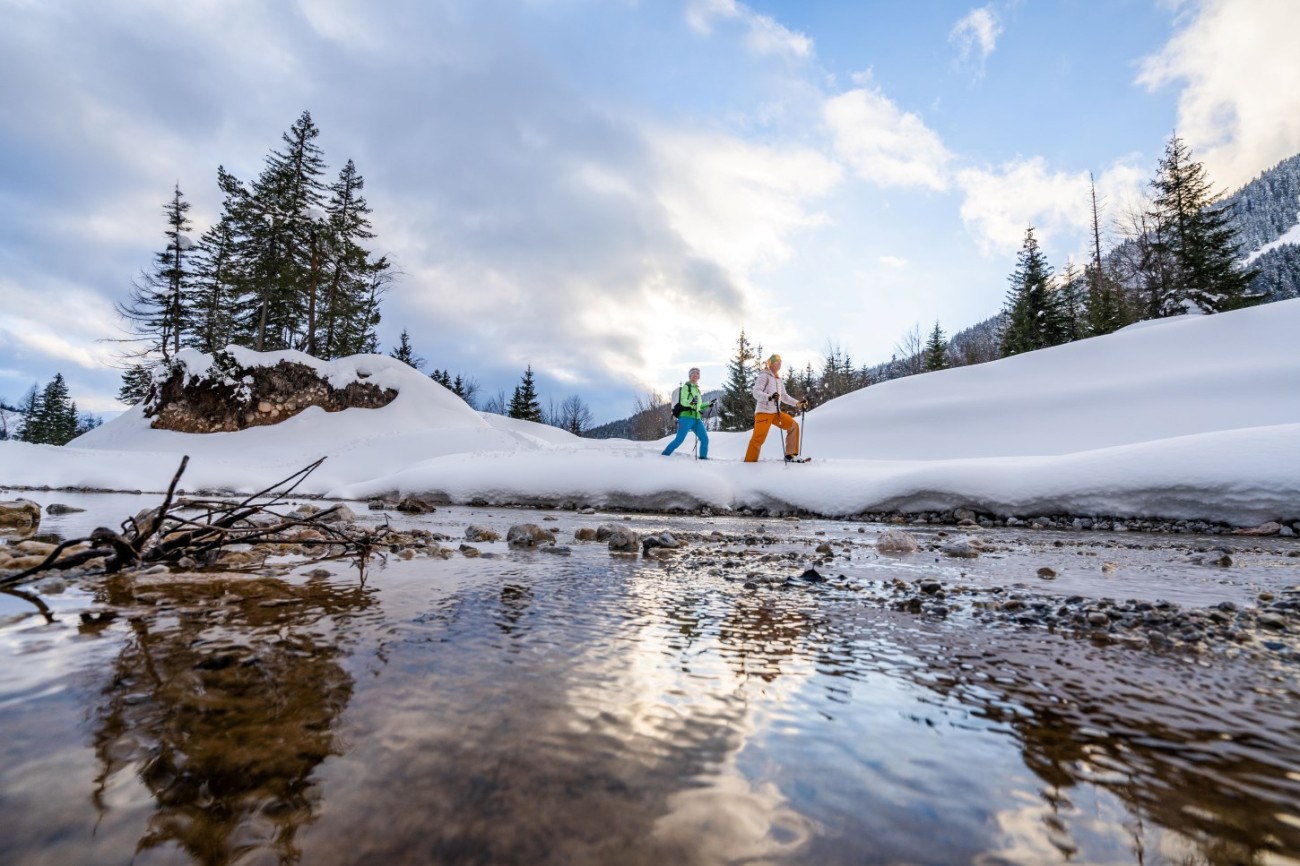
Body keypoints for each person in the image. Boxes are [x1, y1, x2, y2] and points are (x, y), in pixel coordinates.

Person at [744, 354, 808, 462]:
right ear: (771, 364)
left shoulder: (779, 380)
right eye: (777, 361)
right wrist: (769, 397)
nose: (779, 363)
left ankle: (791, 455)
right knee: (758, 439)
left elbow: (784, 396)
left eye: (780, 361)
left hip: (775, 413)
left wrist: (797, 403)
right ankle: (749, 462)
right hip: (763, 412)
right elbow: (756, 393)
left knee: (793, 426)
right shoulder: (764, 376)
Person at [662, 367, 715, 459]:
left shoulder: (697, 390)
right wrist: (691, 403)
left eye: (697, 373)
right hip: (685, 417)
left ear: (699, 376)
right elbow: (683, 401)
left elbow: (698, 406)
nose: (695, 374)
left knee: (705, 439)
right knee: (679, 440)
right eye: (693, 373)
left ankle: (703, 459)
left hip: (697, 419)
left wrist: (708, 404)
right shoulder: (686, 387)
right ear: (690, 375)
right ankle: (664, 456)